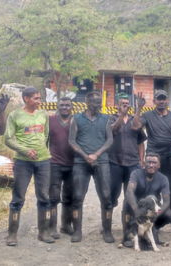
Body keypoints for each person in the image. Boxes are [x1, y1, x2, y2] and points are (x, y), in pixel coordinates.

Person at [5, 87, 55, 246]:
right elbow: (7, 139)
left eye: (40, 98)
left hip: (43, 161)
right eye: (35, 99)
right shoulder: (15, 115)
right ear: (26, 99)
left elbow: (45, 135)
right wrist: (26, 150)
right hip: (22, 162)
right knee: (18, 198)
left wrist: (41, 151)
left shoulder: (43, 114)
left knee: (44, 197)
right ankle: (12, 234)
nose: (39, 102)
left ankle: (44, 232)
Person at [132, 90, 171, 234]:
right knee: (150, 189)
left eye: (164, 99)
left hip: (170, 157)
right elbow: (135, 126)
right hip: (153, 157)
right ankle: (149, 221)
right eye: (159, 99)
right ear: (154, 101)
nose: (161, 101)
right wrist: (139, 108)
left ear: (167, 101)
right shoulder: (148, 115)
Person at [69, 92, 113, 243]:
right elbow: (71, 142)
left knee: (106, 197)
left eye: (99, 102)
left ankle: (107, 231)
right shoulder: (76, 118)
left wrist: (95, 154)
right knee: (77, 197)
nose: (98, 105)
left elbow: (109, 140)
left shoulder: (106, 118)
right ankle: (77, 231)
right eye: (95, 103)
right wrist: (86, 156)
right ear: (87, 103)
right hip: (81, 163)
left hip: (102, 162)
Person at [108, 92, 147, 244]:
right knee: (111, 195)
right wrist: (120, 116)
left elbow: (140, 142)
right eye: (122, 102)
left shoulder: (134, 120)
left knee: (130, 196)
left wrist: (141, 162)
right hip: (115, 162)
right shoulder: (110, 118)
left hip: (132, 163)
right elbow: (113, 131)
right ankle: (107, 227)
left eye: (127, 102)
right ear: (117, 104)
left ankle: (128, 229)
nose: (125, 104)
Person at [125, 152, 171, 245]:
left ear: (159, 165)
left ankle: (153, 227)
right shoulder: (136, 174)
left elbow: (167, 201)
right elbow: (129, 191)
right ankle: (129, 232)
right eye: (148, 162)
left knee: (169, 214)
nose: (151, 165)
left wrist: (157, 214)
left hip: (153, 209)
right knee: (127, 200)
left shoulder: (163, 179)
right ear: (144, 164)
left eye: (154, 163)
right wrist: (137, 210)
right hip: (138, 206)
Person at [48, 97, 74, 239]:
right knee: (53, 196)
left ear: (72, 107)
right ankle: (52, 227)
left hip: (73, 164)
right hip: (54, 163)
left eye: (67, 105)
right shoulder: (50, 120)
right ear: (57, 106)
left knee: (69, 196)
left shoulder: (76, 121)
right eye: (62, 105)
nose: (65, 107)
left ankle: (66, 225)